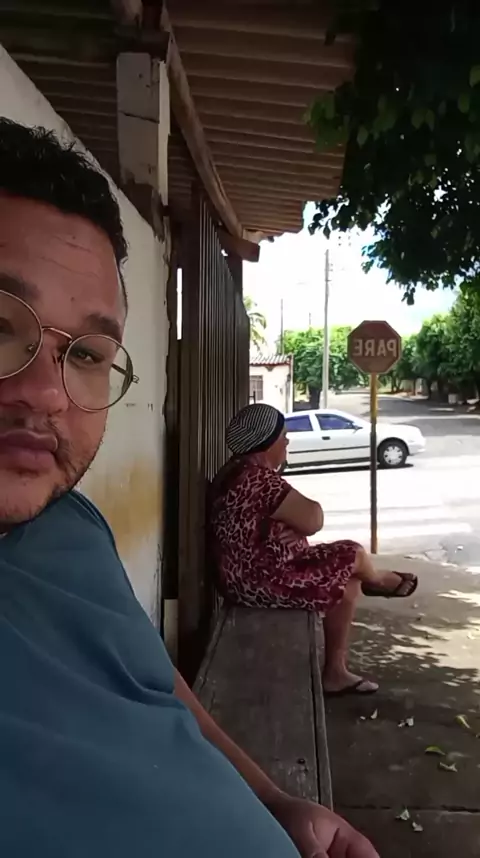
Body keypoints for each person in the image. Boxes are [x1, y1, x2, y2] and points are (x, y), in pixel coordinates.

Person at [0, 117, 379, 858]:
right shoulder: (257, 481)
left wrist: (272, 802)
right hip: (254, 588)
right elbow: (312, 518)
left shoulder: (71, 522)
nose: (47, 393)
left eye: (87, 354)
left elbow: (150, 676)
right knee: (347, 565)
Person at [210, 403, 418, 697]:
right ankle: (378, 580)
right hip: (260, 582)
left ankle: (335, 672)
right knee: (352, 553)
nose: (287, 441)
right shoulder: (256, 480)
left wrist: (289, 526)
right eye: (282, 435)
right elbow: (313, 519)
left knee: (347, 576)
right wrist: (295, 525)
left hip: (248, 576)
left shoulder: (235, 472)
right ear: (267, 442)